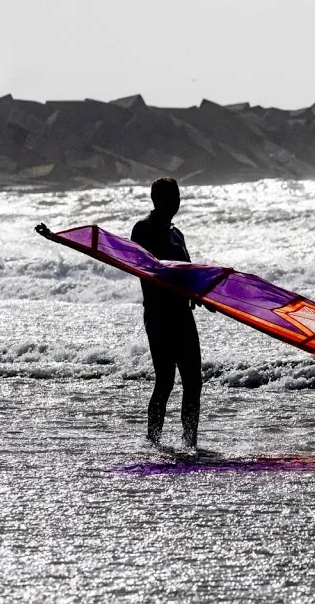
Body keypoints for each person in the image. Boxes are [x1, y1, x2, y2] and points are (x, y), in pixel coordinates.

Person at [131, 177, 204, 448]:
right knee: (165, 381)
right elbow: (146, 267)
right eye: (171, 197)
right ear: (156, 200)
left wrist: (200, 294)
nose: (176, 202)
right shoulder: (143, 230)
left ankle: (190, 443)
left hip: (183, 315)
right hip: (159, 315)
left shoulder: (177, 234)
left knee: (194, 382)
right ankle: (154, 441)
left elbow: (187, 273)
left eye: (178, 197)